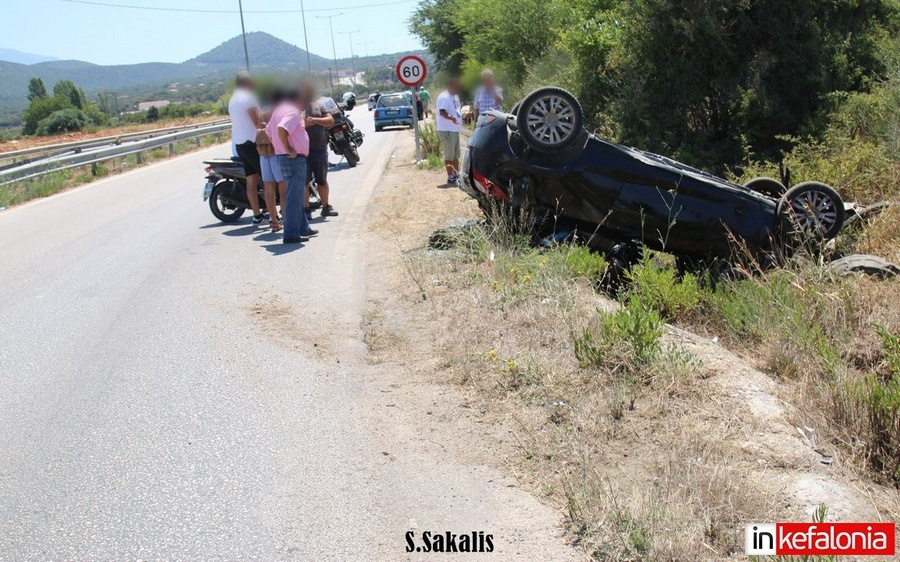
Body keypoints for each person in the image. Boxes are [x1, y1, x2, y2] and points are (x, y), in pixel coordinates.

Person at [266, 89, 318, 244]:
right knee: (294, 196)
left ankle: (303, 227)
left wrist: (279, 147)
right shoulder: (292, 112)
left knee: (294, 194)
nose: (305, 106)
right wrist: (288, 148)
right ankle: (290, 234)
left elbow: (269, 131)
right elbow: (282, 129)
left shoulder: (279, 110)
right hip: (292, 158)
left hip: (284, 157)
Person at [227, 71, 266, 225]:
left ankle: (257, 215)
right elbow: (258, 121)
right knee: (269, 178)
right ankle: (274, 212)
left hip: (240, 143)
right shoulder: (248, 97)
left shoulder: (233, 99)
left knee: (251, 179)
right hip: (252, 143)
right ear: (248, 83)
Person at [301, 82, 339, 219]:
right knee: (304, 182)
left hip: (319, 148)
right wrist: (304, 123)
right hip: (302, 151)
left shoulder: (319, 105)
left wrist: (315, 120)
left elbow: (330, 120)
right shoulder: (296, 107)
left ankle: (326, 206)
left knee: (322, 180)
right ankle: (305, 210)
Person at [257, 89, 287, 233]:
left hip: (263, 153)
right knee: (283, 190)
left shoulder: (262, 113)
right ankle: (287, 220)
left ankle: (274, 222)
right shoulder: (278, 112)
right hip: (276, 152)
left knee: (268, 189)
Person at [436, 77, 462, 185]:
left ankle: (456, 174)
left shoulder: (455, 96)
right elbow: (442, 112)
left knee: (456, 155)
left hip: (454, 130)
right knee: (449, 155)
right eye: (455, 85)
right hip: (447, 130)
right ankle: (450, 177)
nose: (457, 88)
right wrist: (451, 118)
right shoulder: (445, 96)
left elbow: (456, 110)